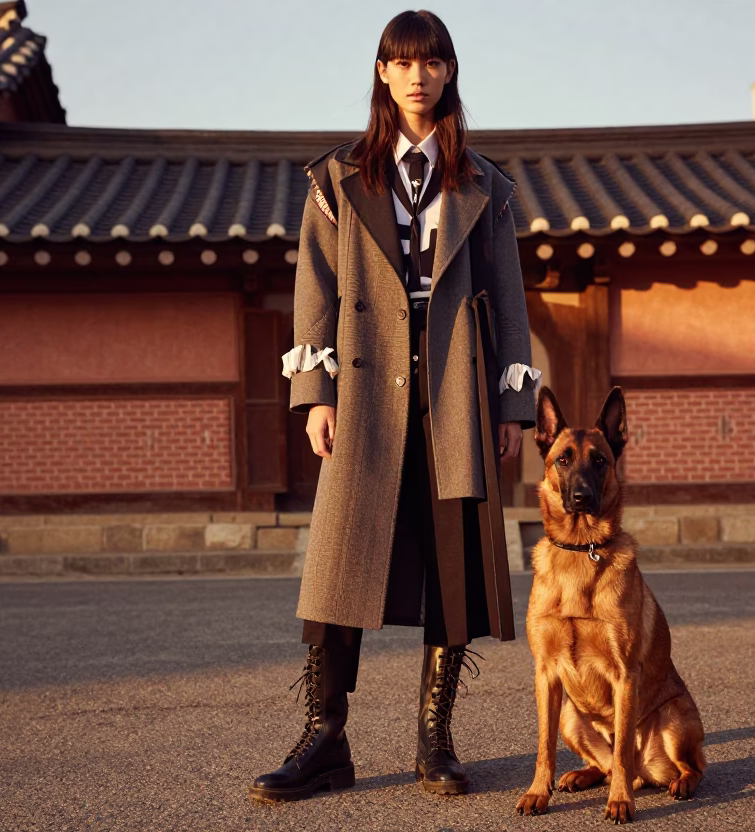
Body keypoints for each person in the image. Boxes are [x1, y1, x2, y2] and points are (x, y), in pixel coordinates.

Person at [249, 9, 539, 803]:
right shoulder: (338, 179)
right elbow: (315, 291)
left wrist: (513, 406)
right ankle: (324, 741)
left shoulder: (484, 183)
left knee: (453, 571)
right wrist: (315, 394)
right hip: (367, 392)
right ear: (382, 73)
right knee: (339, 567)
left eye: (433, 61)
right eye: (402, 62)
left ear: (450, 73)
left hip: (455, 393)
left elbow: (508, 298)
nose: (418, 75)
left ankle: (434, 743)